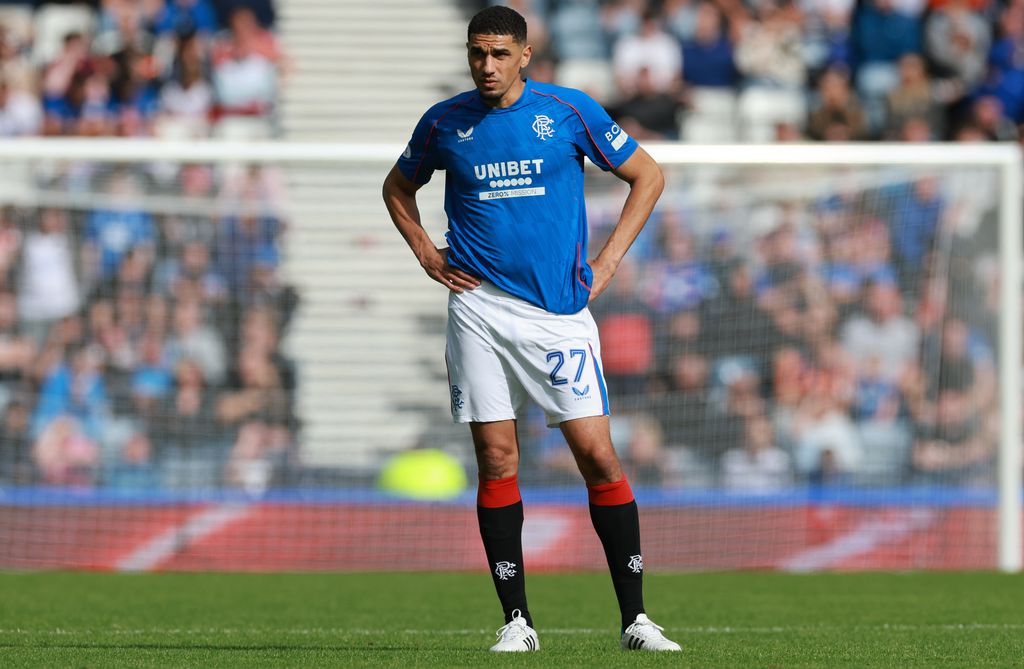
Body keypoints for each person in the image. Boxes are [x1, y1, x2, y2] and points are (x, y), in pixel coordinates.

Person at [382, 6, 679, 654]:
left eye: (497, 53)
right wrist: (427, 254)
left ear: (525, 56)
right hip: (479, 308)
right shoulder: (445, 121)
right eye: (476, 53)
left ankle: (635, 617)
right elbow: (397, 187)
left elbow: (647, 175)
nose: (485, 65)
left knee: (597, 454)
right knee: (496, 457)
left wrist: (608, 260)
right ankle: (517, 619)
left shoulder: (567, 112)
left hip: (558, 314)